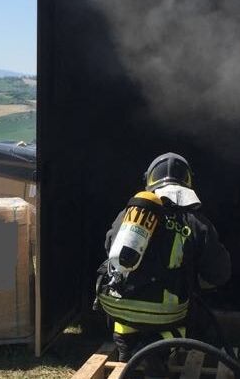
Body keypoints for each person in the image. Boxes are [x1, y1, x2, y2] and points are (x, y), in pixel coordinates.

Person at [96, 152, 231, 377]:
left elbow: (110, 249)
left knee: (131, 307)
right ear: (187, 181)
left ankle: (128, 344)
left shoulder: (128, 215)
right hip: (167, 314)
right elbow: (220, 273)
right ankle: (158, 347)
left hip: (117, 307)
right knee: (192, 309)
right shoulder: (196, 223)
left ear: (149, 179)